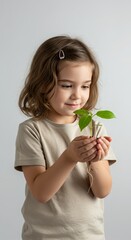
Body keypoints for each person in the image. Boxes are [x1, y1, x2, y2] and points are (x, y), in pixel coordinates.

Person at [15, 35, 116, 240]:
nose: (77, 95)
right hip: (43, 236)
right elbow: (41, 193)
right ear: (44, 84)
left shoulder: (95, 127)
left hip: (90, 236)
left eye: (85, 86)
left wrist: (95, 160)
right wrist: (69, 157)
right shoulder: (32, 130)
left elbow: (102, 190)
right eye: (67, 85)